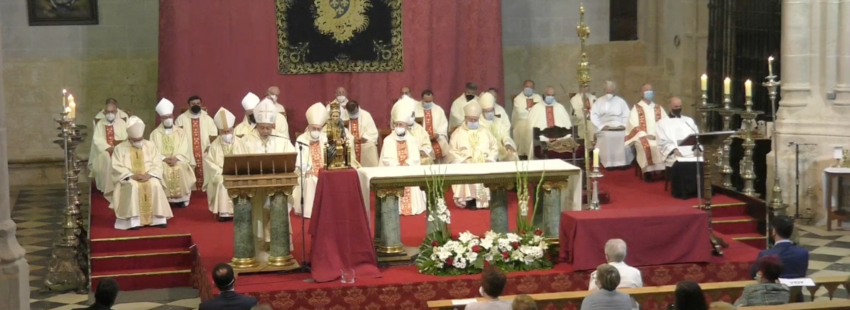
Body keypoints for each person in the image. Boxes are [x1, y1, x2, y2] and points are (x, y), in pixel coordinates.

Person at [242, 99, 296, 248]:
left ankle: (280, 246)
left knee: (278, 211)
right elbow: (239, 162)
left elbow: (292, 160)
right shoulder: (246, 141)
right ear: (256, 125)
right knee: (258, 215)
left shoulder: (282, 140)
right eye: (262, 128)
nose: (265, 131)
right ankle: (260, 247)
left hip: (278, 187)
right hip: (256, 189)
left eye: (268, 128)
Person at [110, 116, 174, 230]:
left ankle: (158, 219)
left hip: (149, 175)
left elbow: (157, 163)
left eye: (140, 139)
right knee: (133, 186)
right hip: (129, 178)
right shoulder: (119, 148)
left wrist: (150, 175)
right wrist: (131, 175)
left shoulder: (150, 145)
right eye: (136, 140)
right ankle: (133, 221)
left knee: (155, 184)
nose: (139, 142)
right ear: (129, 137)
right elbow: (116, 167)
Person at [379, 99, 426, 215]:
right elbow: (386, 159)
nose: (399, 127)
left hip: (409, 170)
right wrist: (397, 165)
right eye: (397, 124)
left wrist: (407, 164)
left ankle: (413, 205)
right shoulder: (388, 140)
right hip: (393, 171)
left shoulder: (412, 140)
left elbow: (415, 157)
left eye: (401, 125)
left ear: (406, 126)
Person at [449, 101, 498, 209]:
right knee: (465, 171)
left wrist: (490, 159)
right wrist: (461, 160)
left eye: (475, 120)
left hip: (484, 162)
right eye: (470, 119)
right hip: (466, 163)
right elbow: (452, 150)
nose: (473, 121)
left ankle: (485, 200)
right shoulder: (457, 133)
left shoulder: (485, 131)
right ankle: (469, 199)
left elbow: (494, 147)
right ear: (465, 118)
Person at [749, 215, 808, 301]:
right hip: (796, 299)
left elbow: (753, 274)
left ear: (773, 231)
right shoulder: (803, 253)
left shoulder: (766, 254)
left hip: (772, 299)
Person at [150, 98, 196, 208]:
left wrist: (177, 158)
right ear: (161, 119)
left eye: (170, 116)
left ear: (173, 117)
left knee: (180, 166)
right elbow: (152, 150)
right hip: (162, 161)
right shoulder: (155, 134)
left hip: (178, 160)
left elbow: (184, 148)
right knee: (163, 168)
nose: (168, 119)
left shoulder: (181, 132)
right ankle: (165, 199)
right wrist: (163, 158)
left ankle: (181, 199)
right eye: (165, 117)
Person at [204, 108, 246, 221]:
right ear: (219, 131)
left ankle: (241, 211)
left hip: (239, 173)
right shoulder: (214, 145)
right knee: (222, 183)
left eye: (229, 131)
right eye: (224, 132)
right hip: (220, 173)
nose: (227, 134)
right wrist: (221, 172)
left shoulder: (242, 143)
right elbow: (210, 162)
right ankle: (224, 213)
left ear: (233, 129)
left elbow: (246, 159)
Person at [657, 97, 701, 199]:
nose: (678, 108)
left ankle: (698, 191)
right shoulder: (661, 123)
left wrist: (697, 148)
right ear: (669, 107)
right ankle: (683, 192)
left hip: (691, 151)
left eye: (680, 106)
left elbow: (696, 136)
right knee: (681, 163)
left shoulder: (688, 121)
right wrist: (674, 150)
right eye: (675, 106)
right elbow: (662, 141)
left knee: (700, 161)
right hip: (675, 152)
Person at [292, 103, 330, 219]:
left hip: (324, 171)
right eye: (314, 128)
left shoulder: (325, 138)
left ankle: (327, 212)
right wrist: (308, 169)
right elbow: (298, 159)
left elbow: (330, 155)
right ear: (308, 127)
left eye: (318, 129)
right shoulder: (301, 139)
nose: (316, 131)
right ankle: (310, 212)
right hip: (307, 172)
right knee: (310, 180)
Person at [174, 95, 218, 189]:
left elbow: (213, 134)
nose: (196, 105)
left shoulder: (208, 119)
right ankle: (191, 190)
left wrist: (210, 145)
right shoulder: (181, 119)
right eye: (193, 104)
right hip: (187, 151)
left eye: (198, 103)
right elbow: (177, 136)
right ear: (188, 105)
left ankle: (205, 189)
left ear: (201, 104)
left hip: (204, 151)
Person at [626, 84, 668, 180]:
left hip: (658, 136)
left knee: (665, 144)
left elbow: (666, 123)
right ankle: (648, 171)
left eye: (650, 89)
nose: (649, 91)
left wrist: (658, 135)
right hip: (643, 136)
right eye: (646, 90)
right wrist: (645, 135)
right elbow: (633, 125)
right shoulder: (636, 108)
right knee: (648, 145)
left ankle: (663, 170)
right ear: (641, 93)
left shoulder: (658, 108)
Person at [89, 100, 128, 198]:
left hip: (119, 151)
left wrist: (117, 148)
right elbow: (97, 140)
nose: (110, 114)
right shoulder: (100, 124)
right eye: (108, 112)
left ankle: (122, 187)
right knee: (105, 157)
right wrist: (108, 148)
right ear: (104, 113)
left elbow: (126, 138)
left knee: (123, 157)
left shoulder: (122, 123)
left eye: (112, 112)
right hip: (104, 151)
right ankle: (107, 188)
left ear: (116, 112)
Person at [591, 81, 634, 169]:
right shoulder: (599, 101)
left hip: (619, 126)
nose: (609, 92)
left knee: (622, 135)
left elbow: (627, 114)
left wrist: (623, 125)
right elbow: (594, 115)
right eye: (607, 90)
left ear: (614, 90)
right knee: (607, 136)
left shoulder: (620, 101)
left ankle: (622, 162)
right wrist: (601, 126)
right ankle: (609, 163)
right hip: (605, 126)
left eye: (611, 90)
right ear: (604, 90)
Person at [589, 239, 642, 310]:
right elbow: (639, 296)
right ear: (625, 255)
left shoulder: (596, 274)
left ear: (606, 256)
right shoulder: (635, 273)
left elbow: (591, 297)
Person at [527, 86, 573, 159]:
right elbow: (531, 128)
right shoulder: (536, 108)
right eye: (548, 95)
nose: (550, 97)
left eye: (552, 95)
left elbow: (568, 127)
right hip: (542, 142)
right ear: (544, 95)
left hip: (560, 141)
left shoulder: (560, 107)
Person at [479, 92, 517, 161]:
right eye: (487, 111)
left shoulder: (498, 119)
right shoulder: (478, 122)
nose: (490, 113)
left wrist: (507, 144)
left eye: (491, 110)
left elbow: (505, 134)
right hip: (487, 150)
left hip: (501, 149)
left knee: (512, 154)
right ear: (482, 111)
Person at [396, 97, 434, 164]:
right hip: (403, 158)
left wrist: (423, 151)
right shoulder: (399, 129)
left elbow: (427, 145)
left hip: (418, 158)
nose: (411, 117)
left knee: (426, 160)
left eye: (412, 115)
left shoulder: (420, 129)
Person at [415, 90, 449, 163]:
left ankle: (441, 169)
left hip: (435, 138)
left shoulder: (438, 109)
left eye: (430, 101)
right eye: (426, 101)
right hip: (421, 139)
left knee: (443, 143)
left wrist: (438, 134)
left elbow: (443, 124)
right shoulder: (415, 109)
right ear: (422, 99)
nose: (428, 103)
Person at [512, 80, 543, 158]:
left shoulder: (538, 97)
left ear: (534, 88)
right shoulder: (518, 99)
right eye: (527, 87)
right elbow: (521, 113)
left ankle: (540, 152)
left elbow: (541, 111)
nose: (529, 88)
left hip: (536, 121)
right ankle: (525, 154)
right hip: (523, 121)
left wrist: (529, 110)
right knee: (526, 129)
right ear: (523, 87)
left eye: (531, 87)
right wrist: (533, 111)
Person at [345, 100, 379, 167]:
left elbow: (373, 131)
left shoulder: (366, 115)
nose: (353, 115)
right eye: (351, 113)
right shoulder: (343, 116)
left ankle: (370, 171)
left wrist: (365, 137)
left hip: (363, 142)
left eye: (354, 112)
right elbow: (342, 131)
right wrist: (351, 139)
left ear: (358, 108)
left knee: (370, 146)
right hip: (349, 143)